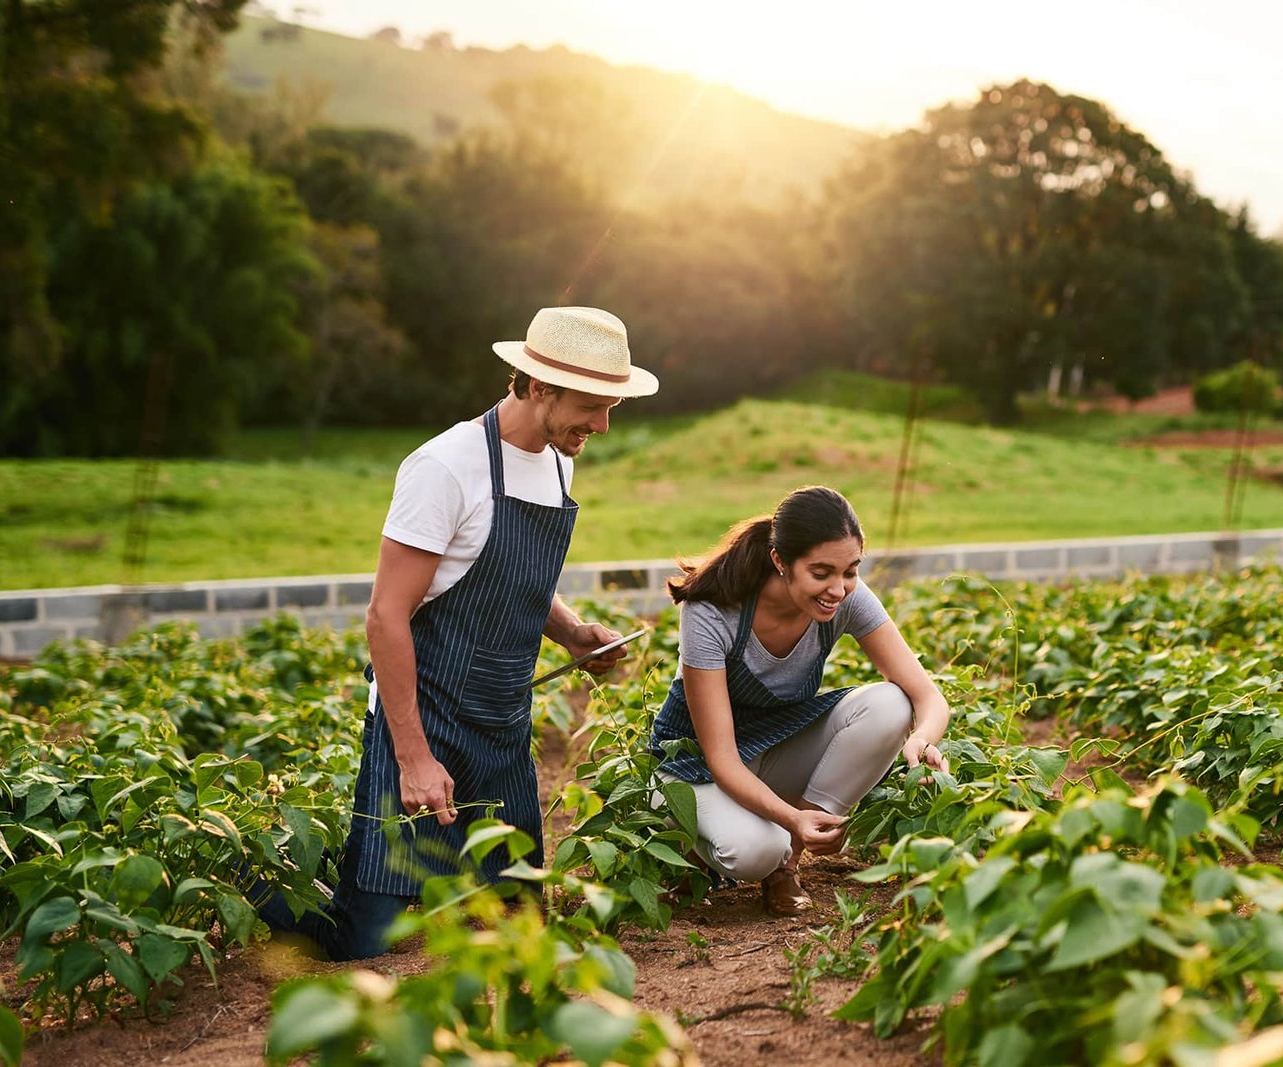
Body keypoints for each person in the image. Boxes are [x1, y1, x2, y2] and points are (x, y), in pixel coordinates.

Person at [257, 305, 659, 960]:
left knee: (523, 915)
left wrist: (574, 633)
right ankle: (251, 876)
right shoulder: (445, 468)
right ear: (536, 386)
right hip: (425, 719)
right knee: (361, 940)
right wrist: (415, 757)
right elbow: (386, 614)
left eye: (610, 405)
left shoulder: (559, 460)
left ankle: (350, 850)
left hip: (501, 724)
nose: (603, 424)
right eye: (591, 404)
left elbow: (500, 569)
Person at [649, 486, 950, 916]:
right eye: (821, 572)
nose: (838, 589)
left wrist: (921, 742)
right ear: (780, 561)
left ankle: (788, 860)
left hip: (771, 752)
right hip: (696, 767)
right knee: (753, 851)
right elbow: (722, 758)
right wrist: (790, 818)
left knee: (892, 705)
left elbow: (927, 695)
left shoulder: (848, 598)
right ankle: (696, 850)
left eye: (851, 571)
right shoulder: (712, 611)